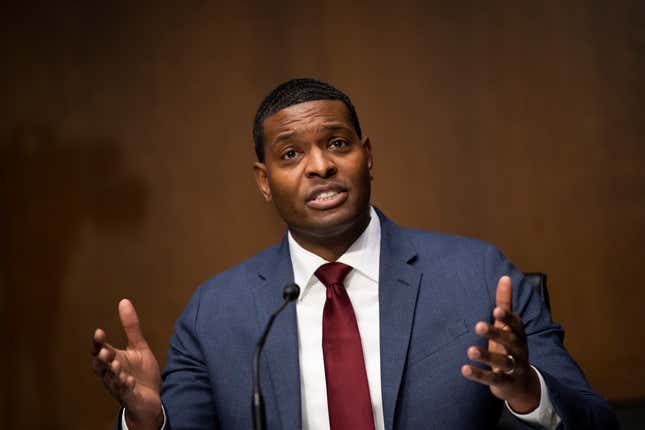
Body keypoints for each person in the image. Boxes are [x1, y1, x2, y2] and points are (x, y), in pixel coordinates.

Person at [92, 78, 619, 429]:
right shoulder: (215, 313)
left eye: (338, 144)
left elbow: (595, 421)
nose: (320, 165)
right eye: (292, 154)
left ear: (368, 157)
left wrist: (527, 392)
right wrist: (147, 421)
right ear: (264, 181)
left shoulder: (479, 277)